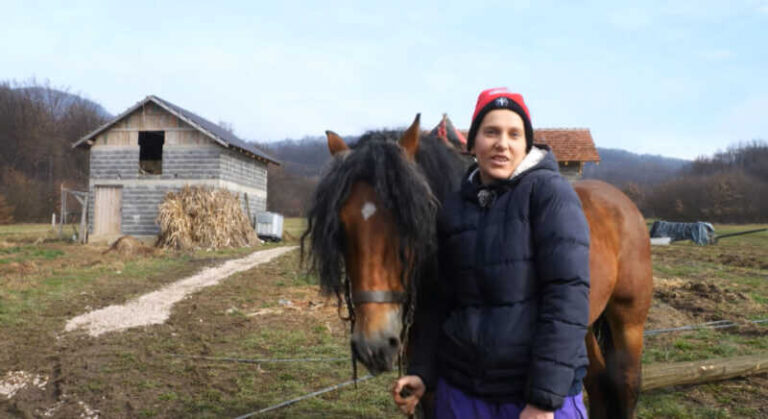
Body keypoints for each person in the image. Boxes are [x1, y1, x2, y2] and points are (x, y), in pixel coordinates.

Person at [392, 88, 590, 419]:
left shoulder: (550, 194)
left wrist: (543, 398)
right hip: (463, 392)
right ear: (473, 143)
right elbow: (438, 300)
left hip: (529, 396)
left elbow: (567, 296)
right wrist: (423, 371)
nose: (502, 143)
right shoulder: (454, 208)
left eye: (514, 134)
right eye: (491, 132)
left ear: (526, 143)